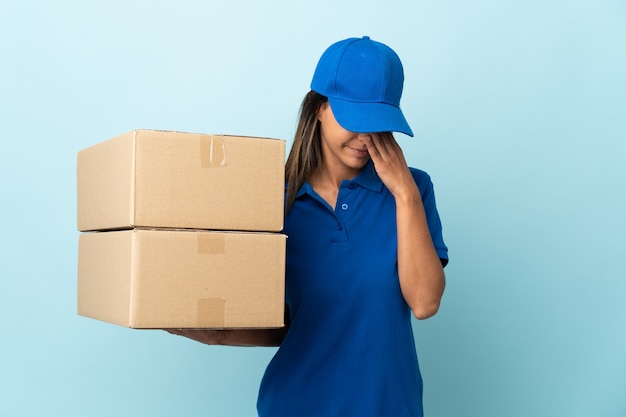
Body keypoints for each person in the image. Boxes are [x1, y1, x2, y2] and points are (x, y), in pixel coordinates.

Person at [168, 36, 448, 417]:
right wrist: (217, 333)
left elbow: (425, 303)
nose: (366, 137)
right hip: (297, 404)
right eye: (352, 117)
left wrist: (405, 193)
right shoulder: (272, 203)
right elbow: (297, 324)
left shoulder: (415, 192)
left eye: (378, 122)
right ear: (317, 107)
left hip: (388, 407)